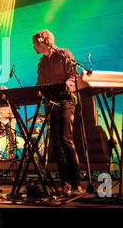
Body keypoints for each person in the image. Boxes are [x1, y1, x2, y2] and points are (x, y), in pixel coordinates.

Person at [32, 29, 83, 196]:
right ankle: (65, 182)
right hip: (51, 105)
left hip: (66, 102)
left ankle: (76, 183)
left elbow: (73, 76)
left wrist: (65, 87)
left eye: (35, 43)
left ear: (43, 41)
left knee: (66, 140)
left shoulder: (63, 54)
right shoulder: (41, 63)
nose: (33, 47)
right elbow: (40, 84)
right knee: (56, 144)